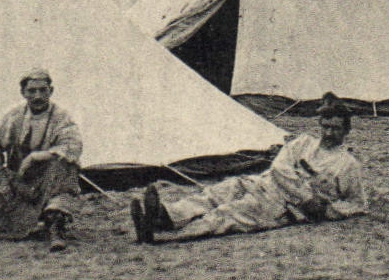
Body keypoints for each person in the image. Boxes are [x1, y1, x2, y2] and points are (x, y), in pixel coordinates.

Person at [131, 93, 368, 243]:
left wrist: (327, 210)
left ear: (346, 131)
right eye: (325, 127)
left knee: (230, 213)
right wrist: (305, 194)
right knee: (219, 192)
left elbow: (357, 204)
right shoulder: (303, 143)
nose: (329, 133)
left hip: (284, 206)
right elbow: (279, 168)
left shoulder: (347, 166)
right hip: (265, 183)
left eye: (335, 129)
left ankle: (165, 235)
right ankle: (165, 215)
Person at [0, 68, 81, 252]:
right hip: (20, 179)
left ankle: (55, 226)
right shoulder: (14, 116)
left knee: (65, 168)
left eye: (43, 90)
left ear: (51, 91)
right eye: (32, 91)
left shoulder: (61, 116)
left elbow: (72, 145)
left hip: (52, 178)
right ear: (23, 93)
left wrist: (36, 156)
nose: (38, 96)